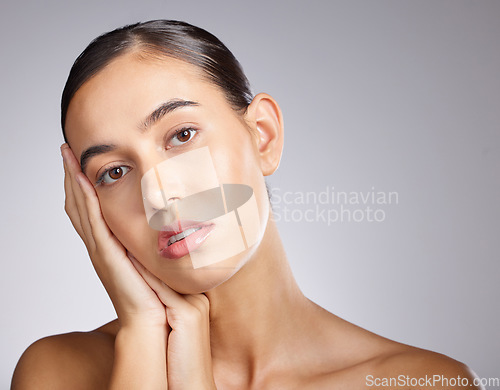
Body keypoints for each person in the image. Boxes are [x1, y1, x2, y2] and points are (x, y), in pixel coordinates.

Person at [11, 20, 482, 390]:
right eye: (114, 172)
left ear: (263, 136)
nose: (159, 195)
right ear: (89, 207)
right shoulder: (58, 374)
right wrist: (142, 334)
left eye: (181, 135)